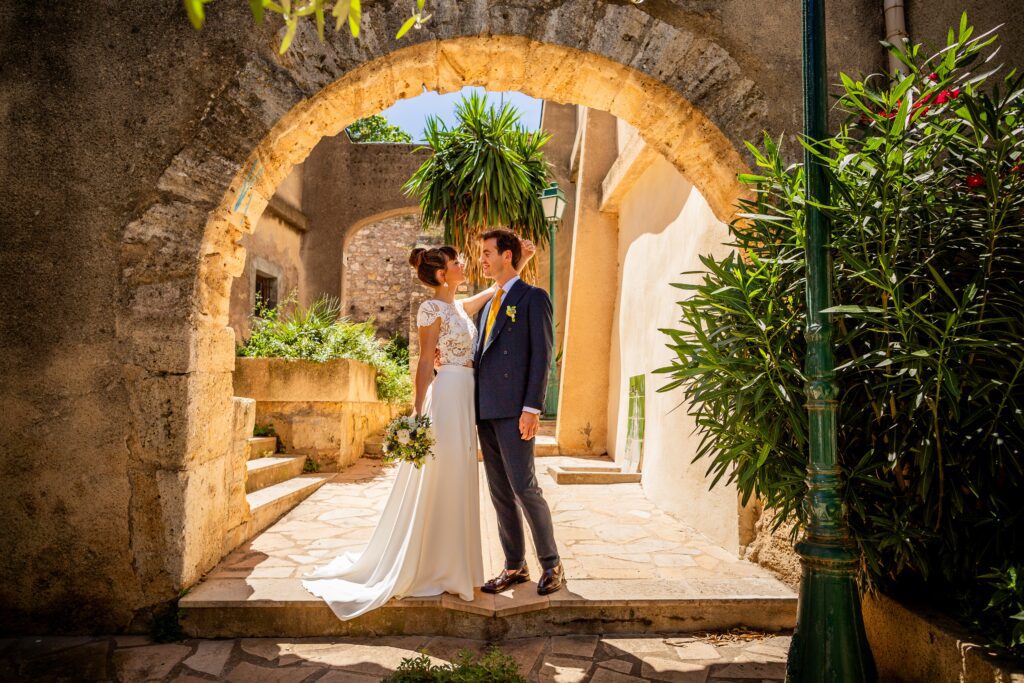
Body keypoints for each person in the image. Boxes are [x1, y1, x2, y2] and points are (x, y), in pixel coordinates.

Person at [301, 239, 535, 619]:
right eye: (457, 262)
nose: (464, 264)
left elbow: (499, 289)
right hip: (445, 398)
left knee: (459, 477)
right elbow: (426, 361)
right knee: (442, 476)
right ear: (442, 274)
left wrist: (520, 258)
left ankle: (455, 565)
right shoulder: (431, 308)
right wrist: (416, 412)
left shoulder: (459, 306)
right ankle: (435, 567)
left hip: (466, 399)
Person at [473, 229, 565, 596]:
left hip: (515, 410)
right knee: (499, 492)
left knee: (525, 487)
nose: (482, 258)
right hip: (486, 410)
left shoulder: (532, 298)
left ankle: (552, 564)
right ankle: (515, 566)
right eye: (481, 253)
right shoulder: (489, 302)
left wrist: (532, 408)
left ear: (506, 256)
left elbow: (542, 357)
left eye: (487, 252)